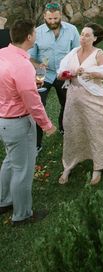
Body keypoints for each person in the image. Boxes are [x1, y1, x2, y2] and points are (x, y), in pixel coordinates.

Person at [57, 23, 103, 185]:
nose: (83, 38)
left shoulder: (98, 53)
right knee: (72, 130)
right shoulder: (73, 53)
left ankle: (98, 166)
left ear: (94, 38)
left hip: (93, 98)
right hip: (73, 99)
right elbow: (60, 75)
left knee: (96, 129)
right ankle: (68, 165)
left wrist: (92, 73)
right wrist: (69, 74)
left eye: (87, 35)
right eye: (82, 34)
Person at [0, 20, 56, 225]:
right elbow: (32, 102)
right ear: (29, 37)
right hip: (18, 122)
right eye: (34, 33)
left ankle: (3, 201)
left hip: (4, 120)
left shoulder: (2, 54)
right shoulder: (23, 65)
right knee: (22, 171)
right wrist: (47, 125)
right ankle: (22, 215)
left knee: (9, 162)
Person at [29, 2, 80, 147]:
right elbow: (29, 56)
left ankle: (64, 129)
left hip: (64, 73)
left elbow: (77, 52)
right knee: (38, 106)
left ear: (60, 16)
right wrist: (38, 65)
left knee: (67, 103)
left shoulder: (72, 30)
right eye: (49, 19)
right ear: (44, 16)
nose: (52, 22)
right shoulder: (36, 33)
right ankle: (37, 144)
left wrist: (72, 69)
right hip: (42, 74)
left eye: (56, 19)